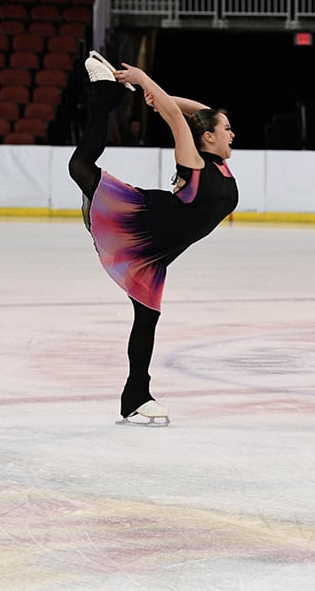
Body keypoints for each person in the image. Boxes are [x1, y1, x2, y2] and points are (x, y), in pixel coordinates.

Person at [69, 51, 238, 426]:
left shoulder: (220, 164)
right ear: (208, 138)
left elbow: (202, 113)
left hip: (157, 252)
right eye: (226, 130)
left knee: (146, 320)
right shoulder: (193, 164)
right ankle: (104, 96)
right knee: (79, 167)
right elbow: (180, 118)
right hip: (138, 223)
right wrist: (144, 81)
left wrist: (154, 95)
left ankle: (135, 397)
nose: (232, 134)